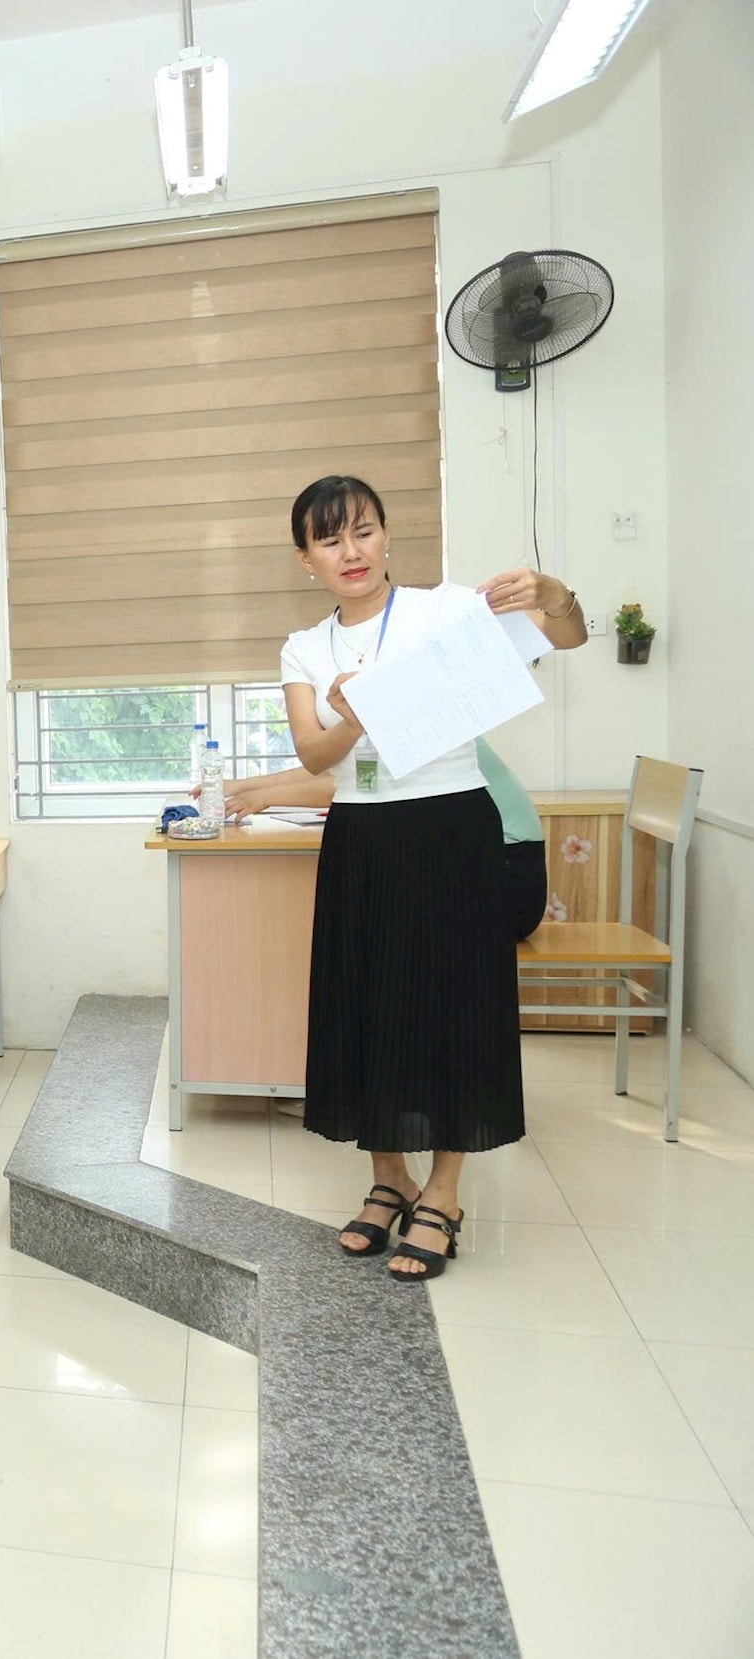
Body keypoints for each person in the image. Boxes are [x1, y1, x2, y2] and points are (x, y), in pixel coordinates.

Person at [278, 474, 584, 1280]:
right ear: (306, 558)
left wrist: (554, 593)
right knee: (365, 1003)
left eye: (363, 530)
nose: (351, 551)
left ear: (386, 536)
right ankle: (390, 1179)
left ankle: (444, 1193)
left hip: (453, 827)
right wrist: (352, 715)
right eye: (330, 539)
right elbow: (312, 754)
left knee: (456, 1005)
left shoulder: (445, 610)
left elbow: (567, 635)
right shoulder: (304, 647)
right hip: (363, 835)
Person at [218, 736, 550, 941]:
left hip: (507, 878)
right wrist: (243, 787)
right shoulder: (389, 724)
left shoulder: (427, 726)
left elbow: (355, 786)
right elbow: (336, 769)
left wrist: (265, 798)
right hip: (478, 866)